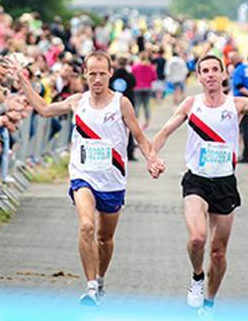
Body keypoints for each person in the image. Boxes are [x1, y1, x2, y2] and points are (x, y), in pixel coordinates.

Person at [150, 49, 248, 316]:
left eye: (216, 69)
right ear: (199, 77)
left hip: (225, 183)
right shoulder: (191, 104)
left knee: (218, 252)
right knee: (197, 238)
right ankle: (196, 277)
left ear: (224, 74)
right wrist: (152, 156)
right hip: (196, 181)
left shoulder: (236, 105)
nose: (211, 74)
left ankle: (209, 302)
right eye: (205, 71)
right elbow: (164, 132)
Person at [17, 51, 162, 306]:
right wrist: (24, 83)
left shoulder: (121, 103)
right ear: (85, 74)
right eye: (91, 74)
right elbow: (43, 109)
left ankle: (101, 280)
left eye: (101, 74)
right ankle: (91, 288)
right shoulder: (77, 101)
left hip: (112, 180)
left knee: (105, 238)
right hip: (82, 176)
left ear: (110, 74)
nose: (96, 79)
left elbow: (139, 136)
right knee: (86, 226)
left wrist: (152, 158)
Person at [230, 52, 248, 163]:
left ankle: (247, 155)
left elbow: (240, 87)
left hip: (242, 102)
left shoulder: (237, 71)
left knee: (245, 130)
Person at [109, 55, 137, 161]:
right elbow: (134, 84)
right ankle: (129, 152)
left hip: (114, 104)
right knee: (130, 129)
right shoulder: (130, 76)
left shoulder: (113, 76)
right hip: (128, 103)